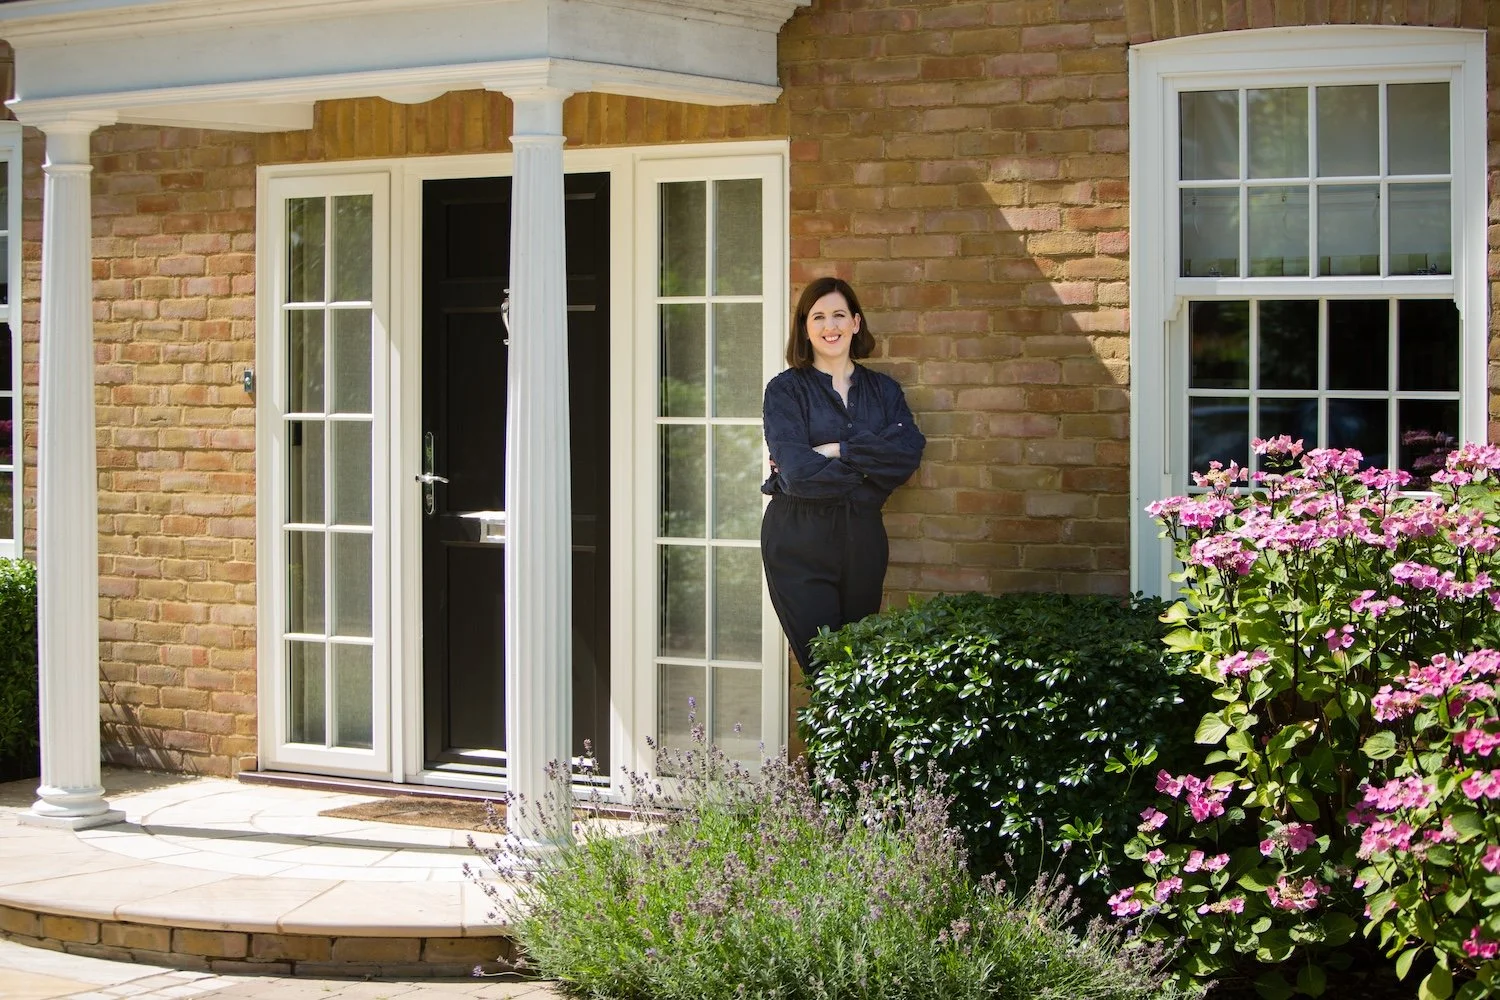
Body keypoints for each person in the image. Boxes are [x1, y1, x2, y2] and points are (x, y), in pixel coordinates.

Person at [760, 276, 925, 676]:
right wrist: (871, 466)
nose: (829, 326)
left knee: (859, 670)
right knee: (826, 672)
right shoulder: (785, 391)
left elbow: (907, 455)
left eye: (838, 315)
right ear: (804, 328)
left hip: (863, 540)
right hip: (798, 540)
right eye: (818, 316)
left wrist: (837, 450)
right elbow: (797, 475)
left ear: (856, 322)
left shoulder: (884, 391)